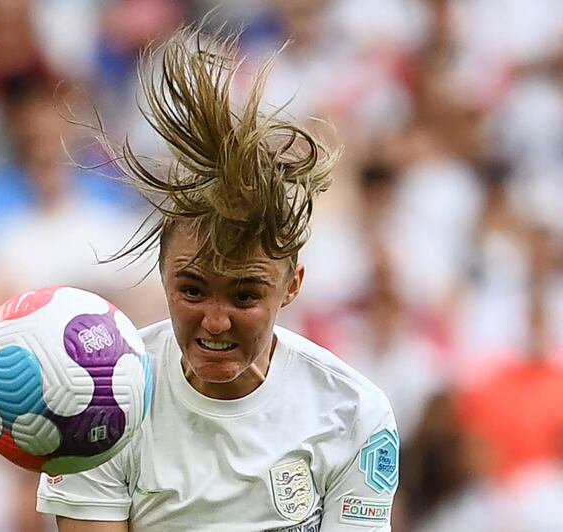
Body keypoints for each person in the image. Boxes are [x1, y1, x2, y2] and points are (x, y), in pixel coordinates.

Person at [36, 24, 399, 531]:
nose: (215, 322)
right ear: (161, 272)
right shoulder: (100, 405)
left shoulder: (352, 413)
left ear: (292, 284)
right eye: (192, 289)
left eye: (245, 295)